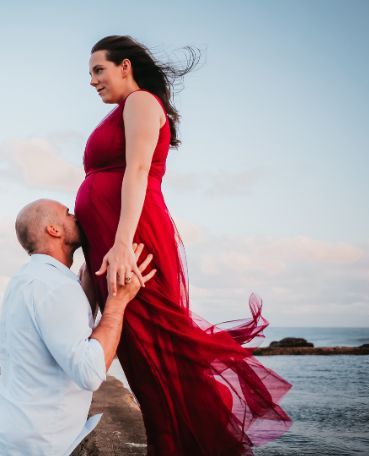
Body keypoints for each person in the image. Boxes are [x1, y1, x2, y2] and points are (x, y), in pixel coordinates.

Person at [74, 35, 292, 455]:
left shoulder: (140, 102)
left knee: (161, 355)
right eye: (90, 74)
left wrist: (120, 245)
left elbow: (136, 172)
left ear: (125, 67)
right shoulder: (124, 109)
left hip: (132, 238)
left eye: (98, 70)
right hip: (114, 241)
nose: (92, 81)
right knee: (141, 359)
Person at [0, 198, 156, 455]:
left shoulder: (28, 278)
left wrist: (87, 296)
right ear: (54, 230)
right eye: (68, 213)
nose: (76, 216)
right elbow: (90, 371)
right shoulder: (56, 287)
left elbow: (64, 339)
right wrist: (118, 301)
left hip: (8, 435)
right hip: (32, 446)